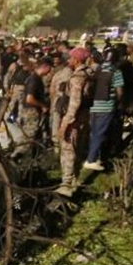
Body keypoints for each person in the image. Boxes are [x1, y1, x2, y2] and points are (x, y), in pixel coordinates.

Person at [55, 47, 92, 196]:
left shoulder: (77, 77)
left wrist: (66, 123)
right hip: (85, 118)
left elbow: (75, 102)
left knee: (68, 150)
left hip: (74, 120)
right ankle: (75, 181)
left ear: (76, 60)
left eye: (71, 58)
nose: (69, 60)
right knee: (78, 150)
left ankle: (66, 184)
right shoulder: (90, 74)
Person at [84, 50, 124, 171]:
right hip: (106, 106)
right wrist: (120, 102)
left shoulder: (98, 70)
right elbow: (120, 92)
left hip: (94, 105)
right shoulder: (116, 72)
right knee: (100, 134)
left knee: (94, 132)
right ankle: (91, 160)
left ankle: (94, 157)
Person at [19, 61, 52, 143]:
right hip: (31, 111)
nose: (50, 71)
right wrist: (42, 106)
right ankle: (18, 154)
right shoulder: (34, 79)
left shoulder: (36, 78)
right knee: (29, 136)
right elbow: (29, 99)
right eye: (49, 68)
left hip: (32, 110)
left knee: (36, 136)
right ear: (45, 67)